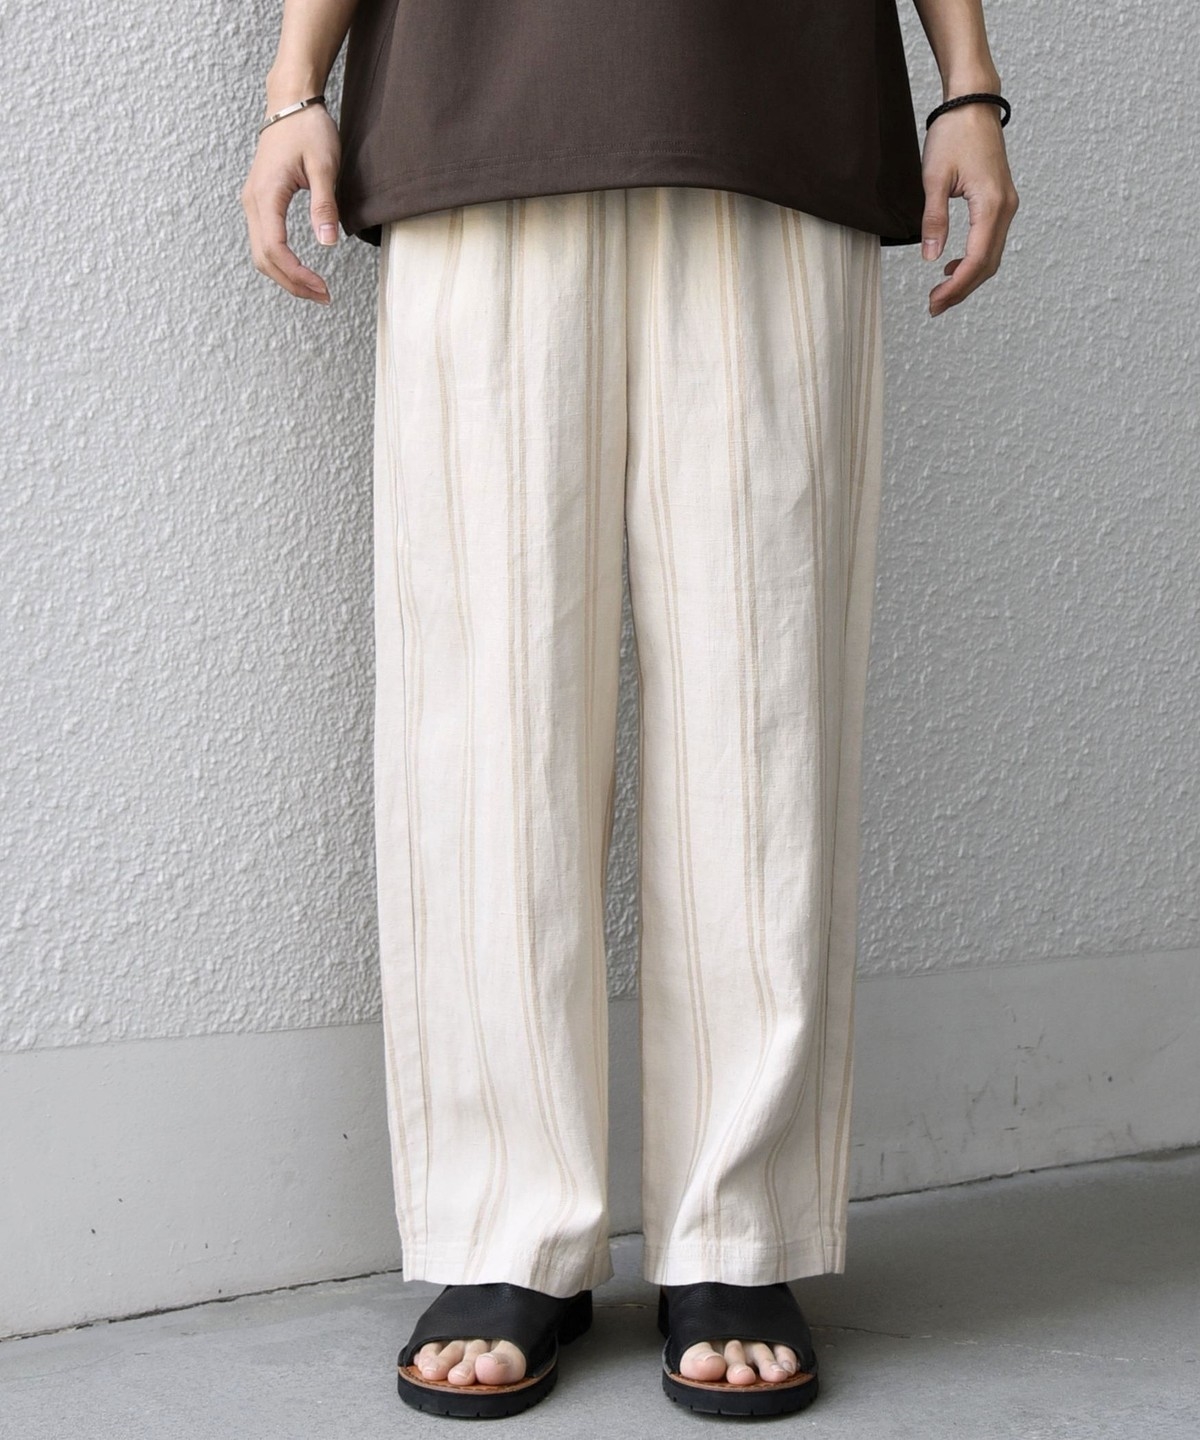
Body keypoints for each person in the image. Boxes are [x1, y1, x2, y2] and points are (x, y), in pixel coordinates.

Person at [242, 0, 1018, 1420]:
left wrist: (969, 81)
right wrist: (295, 83)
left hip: (773, 113)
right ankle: (506, 1228)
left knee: (765, 707)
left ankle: (738, 1230)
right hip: (476, 113)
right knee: (488, 716)